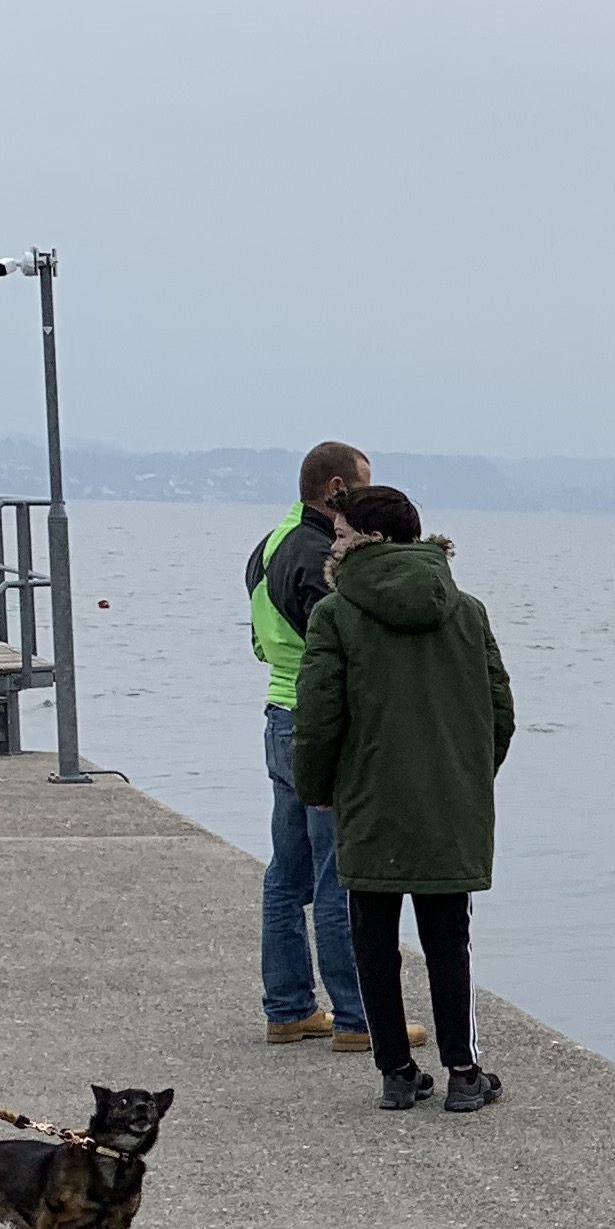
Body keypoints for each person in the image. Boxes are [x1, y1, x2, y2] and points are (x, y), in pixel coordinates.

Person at [291, 486, 512, 1112]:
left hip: (369, 799)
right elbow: (500, 709)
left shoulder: (335, 614)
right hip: (450, 801)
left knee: (373, 938)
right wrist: (469, 774)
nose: (332, 544)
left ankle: (395, 1071)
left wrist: (318, 788)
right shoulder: (467, 611)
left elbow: (319, 716)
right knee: (449, 939)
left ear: (370, 539)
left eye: (340, 534)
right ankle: (464, 1072)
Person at [246, 439, 414, 1058]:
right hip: (317, 722)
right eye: (364, 486)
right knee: (339, 876)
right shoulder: (319, 555)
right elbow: (344, 648)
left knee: (286, 875)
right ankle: (357, 1016)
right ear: (337, 489)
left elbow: (261, 641)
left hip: (278, 712)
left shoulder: (269, 544)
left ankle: (288, 1009)